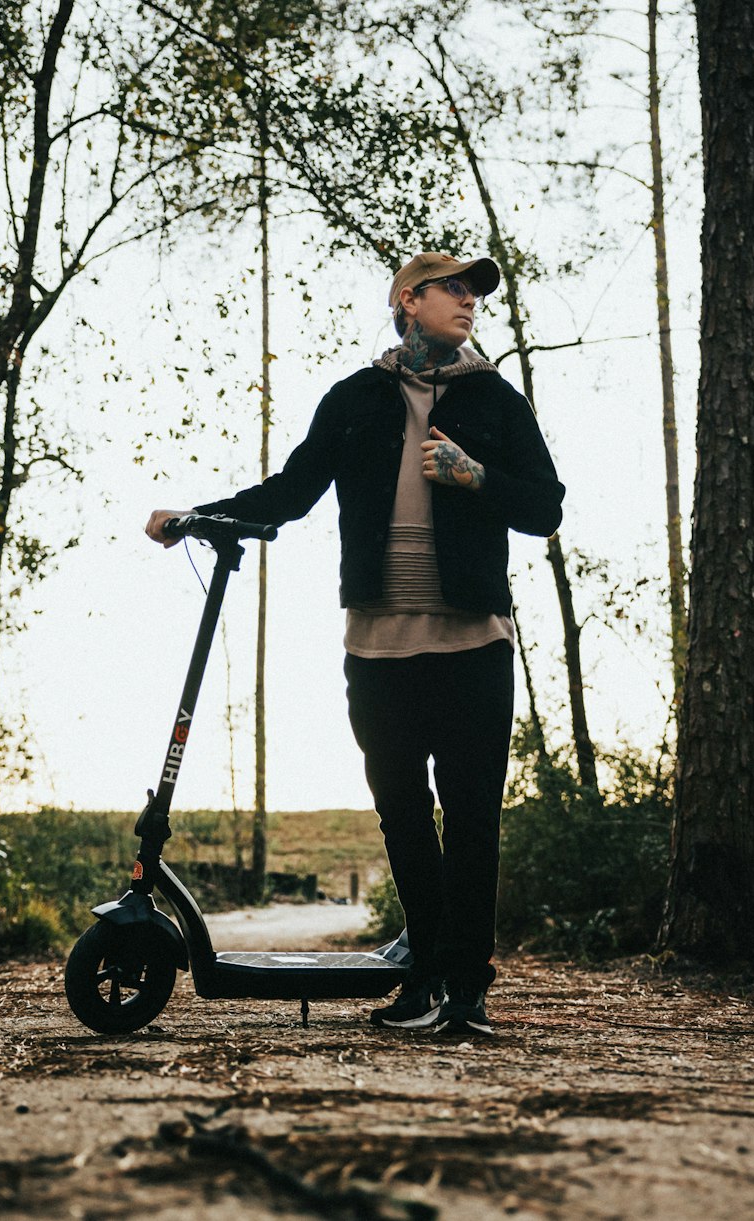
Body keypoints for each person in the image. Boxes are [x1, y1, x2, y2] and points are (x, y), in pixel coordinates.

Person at [146, 251, 564, 1036]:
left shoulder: (495, 400)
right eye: (455, 288)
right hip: (377, 648)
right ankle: (425, 973)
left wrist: (476, 475)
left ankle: (466, 991)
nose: (471, 300)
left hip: (475, 644)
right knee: (403, 816)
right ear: (409, 300)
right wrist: (196, 516)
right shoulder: (355, 399)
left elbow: (546, 507)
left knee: (472, 817)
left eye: (477, 291)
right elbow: (292, 492)